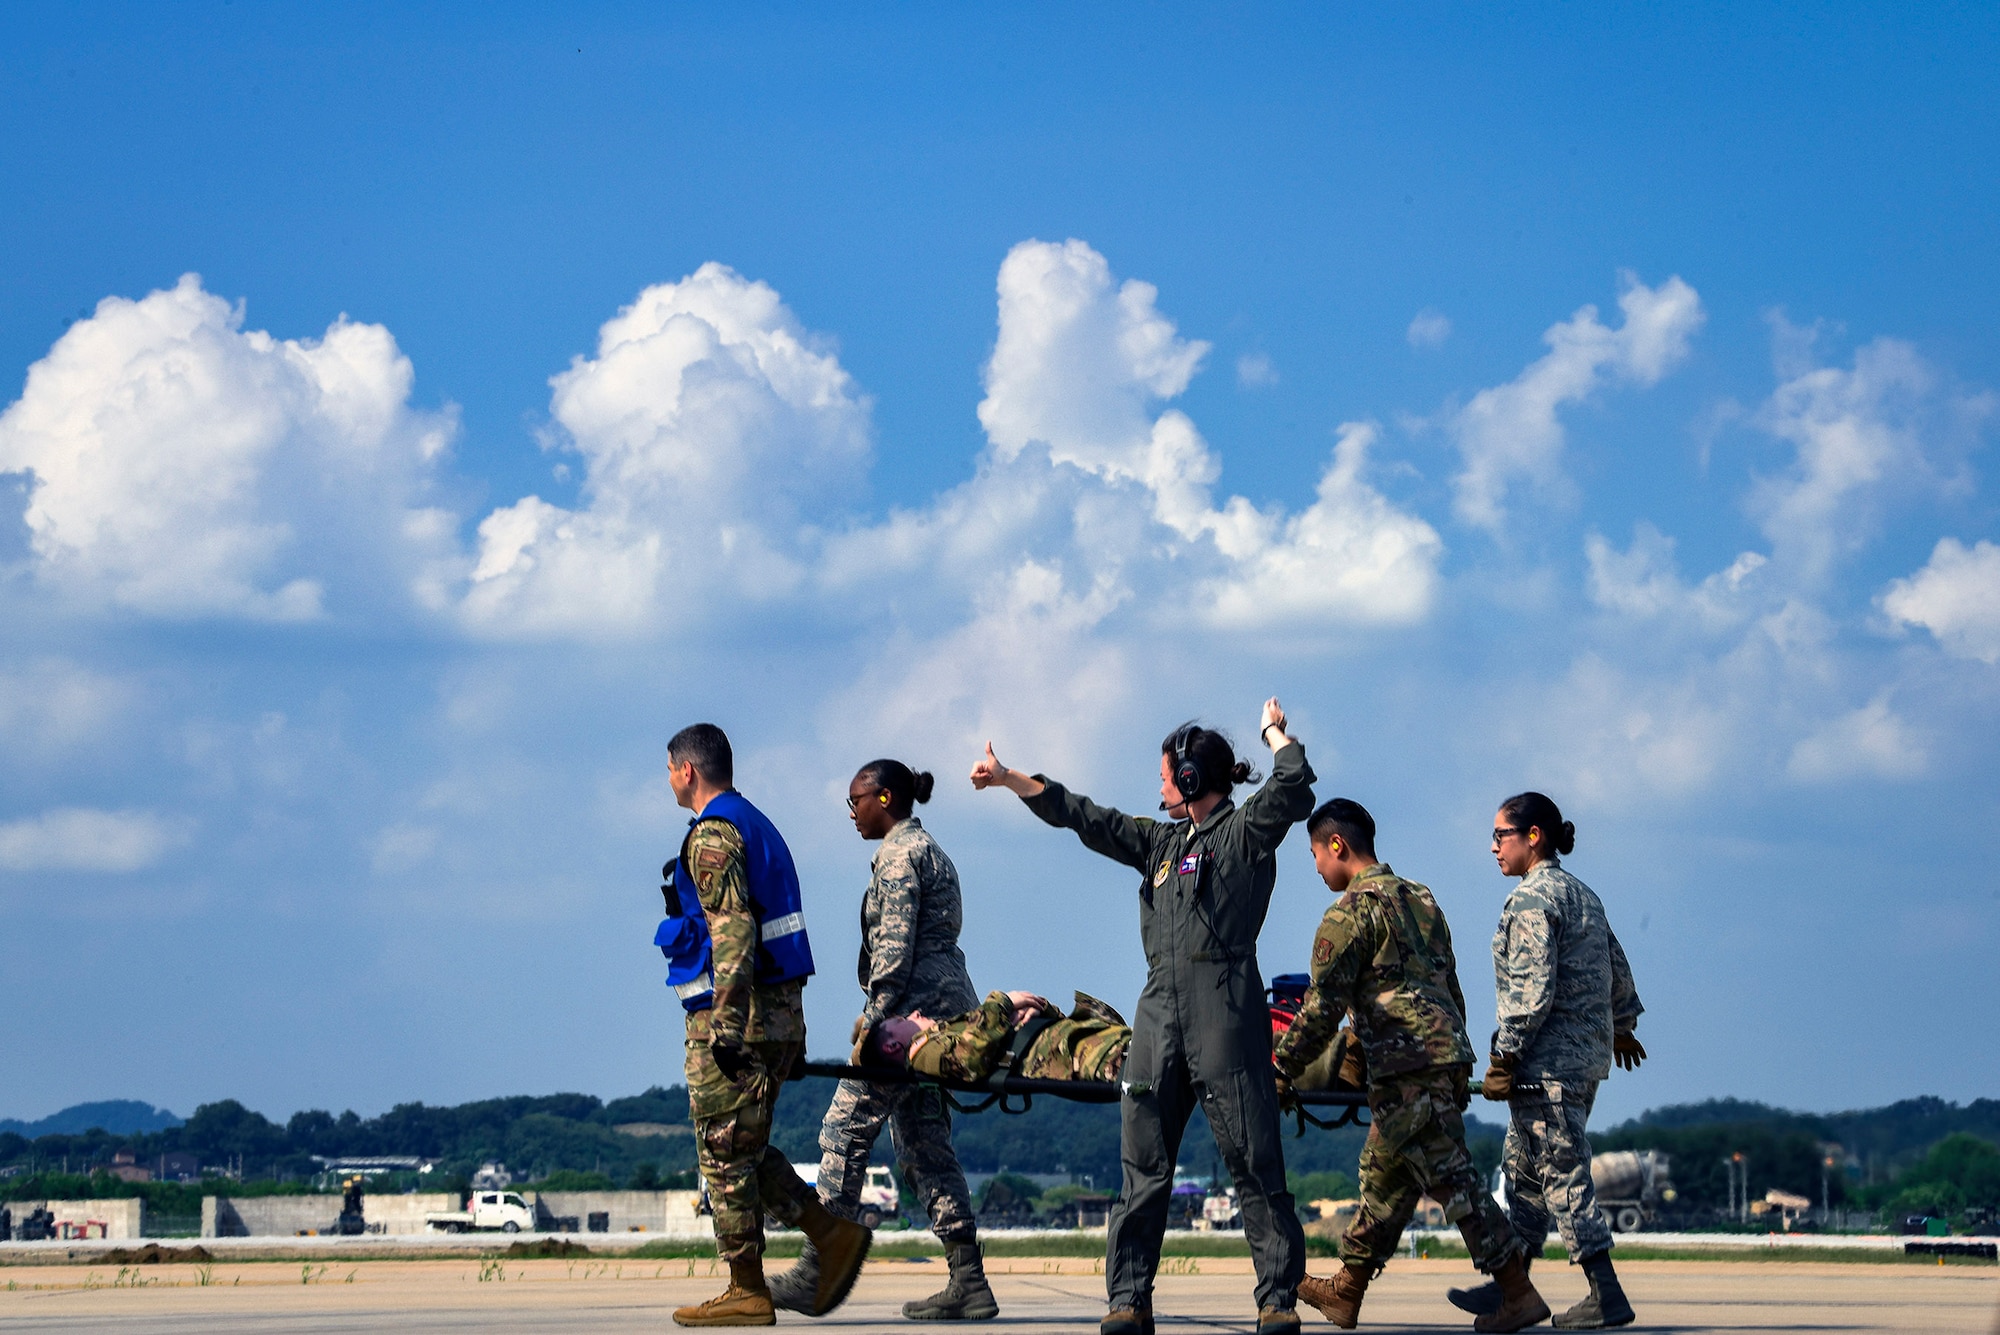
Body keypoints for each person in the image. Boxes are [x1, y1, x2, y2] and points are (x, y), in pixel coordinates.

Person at [970, 698, 1313, 1335]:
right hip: (1158, 1015)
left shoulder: (1244, 832)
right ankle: (1129, 1299)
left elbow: (1292, 784)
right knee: (1143, 1167)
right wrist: (1013, 778)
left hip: (1226, 1007)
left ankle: (1276, 1300)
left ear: (1189, 779)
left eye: (1165, 776)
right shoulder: (1158, 843)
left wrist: (1272, 733)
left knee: (1254, 1161)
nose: (1158, 787)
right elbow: (1085, 818)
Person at [1274, 800, 1548, 1333]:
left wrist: (1283, 1067)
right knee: (1385, 1176)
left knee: (1453, 1183)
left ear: (1337, 846)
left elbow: (1323, 1005)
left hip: (1406, 1067)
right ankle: (1346, 1292)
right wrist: (1455, 1057)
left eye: (1314, 854)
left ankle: (1518, 1292)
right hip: (1439, 1058)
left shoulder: (1348, 913)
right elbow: (1449, 983)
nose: (1315, 868)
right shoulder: (1421, 899)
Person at [653, 723, 871, 1327]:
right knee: (742, 1148)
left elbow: (734, 930)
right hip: (775, 1018)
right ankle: (830, 1236)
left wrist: (724, 1025)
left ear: (688, 771)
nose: (669, 779)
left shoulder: (712, 836)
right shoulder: (759, 825)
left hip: (736, 1023)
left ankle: (747, 1288)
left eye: (670, 768)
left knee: (722, 1153)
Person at [773, 760, 997, 1323]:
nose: (852, 813)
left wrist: (870, 1026)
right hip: (942, 1021)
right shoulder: (927, 849)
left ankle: (816, 1269)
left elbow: (892, 959)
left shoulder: (900, 858)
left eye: (857, 801)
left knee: (844, 1127)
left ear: (886, 798)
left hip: (909, 1024)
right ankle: (967, 1278)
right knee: (925, 1145)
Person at [1458, 791, 1645, 1331]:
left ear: (1532, 837)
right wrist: (1623, 1025)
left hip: (1547, 1070)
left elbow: (1532, 989)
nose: (1493, 847)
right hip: (1578, 1062)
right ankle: (1511, 1289)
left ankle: (1605, 1294)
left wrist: (1505, 1055)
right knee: (1522, 1178)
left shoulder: (1532, 900)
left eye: (1501, 835)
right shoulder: (1583, 896)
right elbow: (1617, 966)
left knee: (1563, 1179)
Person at [868, 989, 1134, 1083]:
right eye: (903, 1020)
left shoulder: (944, 1034)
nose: (914, 1013)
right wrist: (1002, 1002)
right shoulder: (923, 1052)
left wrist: (1036, 1008)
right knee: (1145, 1059)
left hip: (1076, 1041)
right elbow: (968, 1059)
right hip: (1078, 1053)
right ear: (893, 1046)